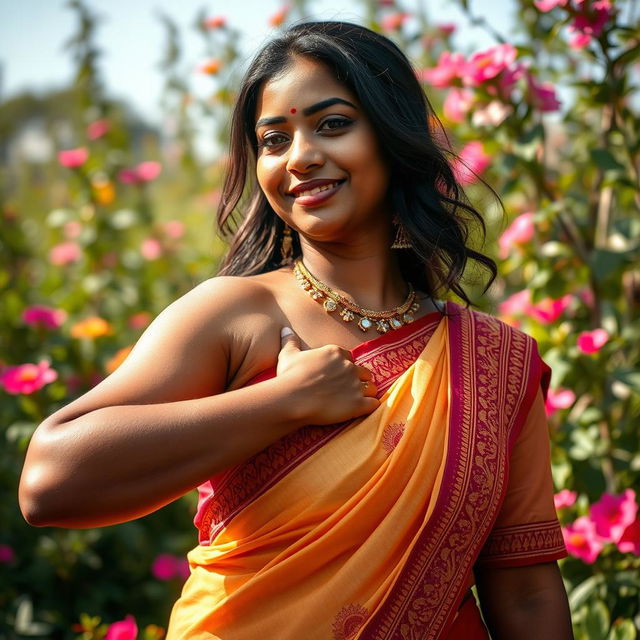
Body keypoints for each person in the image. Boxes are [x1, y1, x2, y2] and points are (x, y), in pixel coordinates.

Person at [19, 21, 574, 640]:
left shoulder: (496, 360)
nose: (301, 156)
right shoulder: (237, 315)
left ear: (394, 138)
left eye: (333, 123)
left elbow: (524, 590)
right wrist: (284, 402)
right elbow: (50, 481)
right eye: (273, 139)